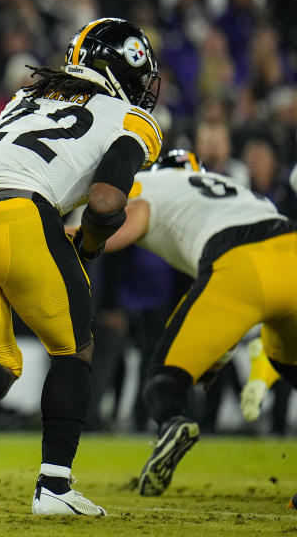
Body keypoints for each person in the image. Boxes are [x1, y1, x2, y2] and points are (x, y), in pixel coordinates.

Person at [0, 17, 164, 516]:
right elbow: (104, 201)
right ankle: (54, 487)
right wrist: (93, 244)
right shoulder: (130, 118)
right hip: (23, 218)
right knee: (73, 350)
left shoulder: (24, 98)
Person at [99, 149, 297, 496]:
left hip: (237, 263)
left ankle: (174, 423)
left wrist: (72, 238)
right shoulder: (232, 187)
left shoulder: (149, 183)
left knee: (163, 381)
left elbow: (124, 227)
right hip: (288, 247)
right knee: (285, 361)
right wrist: (215, 355)